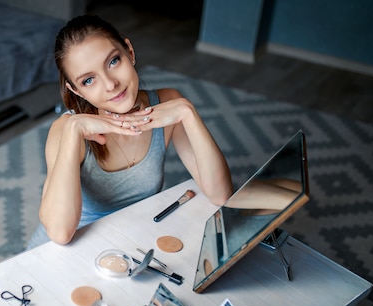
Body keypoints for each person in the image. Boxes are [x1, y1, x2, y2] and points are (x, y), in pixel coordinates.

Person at [26, 14, 233, 249]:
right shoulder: (66, 129)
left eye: (113, 61)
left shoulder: (168, 103)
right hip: (63, 254)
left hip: (127, 242)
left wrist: (187, 112)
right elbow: (60, 233)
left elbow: (220, 194)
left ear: (130, 52)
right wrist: (74, 131)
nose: (110, 84)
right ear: (77, 91)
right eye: (88, 80)